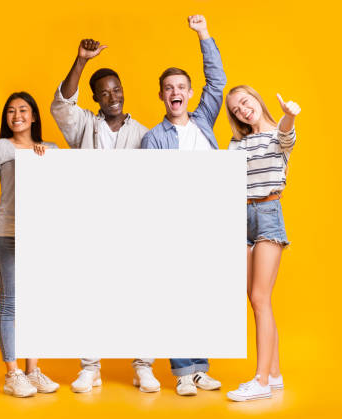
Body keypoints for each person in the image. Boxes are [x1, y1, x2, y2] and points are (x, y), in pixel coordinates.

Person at [50, 39, 159, 394]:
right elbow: (63, 103)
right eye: (105, 93)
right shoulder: (83, 126)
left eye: (117, 90)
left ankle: (143, 366)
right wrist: (81, 61)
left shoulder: (144, 135)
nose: (113, 97)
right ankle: (90, 368)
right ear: (96, 98)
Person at [141, 14, 227, 396]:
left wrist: (203, 34)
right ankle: (181, 371)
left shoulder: (204, 121)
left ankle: (200, 369)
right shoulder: (153, 138)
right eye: (168, 88)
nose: (175, 92)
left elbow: (219, 82)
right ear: (161, 95)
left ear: (189, 94)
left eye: (181, 87)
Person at [0, 92, 60, 397]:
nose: (16, 115)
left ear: (34, 116)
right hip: (7, 233)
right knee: (9, 302)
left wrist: (46, 162)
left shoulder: (50, 149)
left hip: (39, 236)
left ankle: (33, 371)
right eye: (10, 111)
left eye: (23, 110)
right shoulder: (1, 147)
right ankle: (12, 374)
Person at [223, 86, 301, 402]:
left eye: (245, 102)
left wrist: (288, 116)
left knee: (259, 297)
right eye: (235, 109)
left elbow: (286, 137)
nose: (242, 110)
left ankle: (261, 380)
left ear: (257, 99)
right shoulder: (236, 143)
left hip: (268, 212)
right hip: (240, 216)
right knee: (256, 299)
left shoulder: (277, 135)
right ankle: (275, 374)